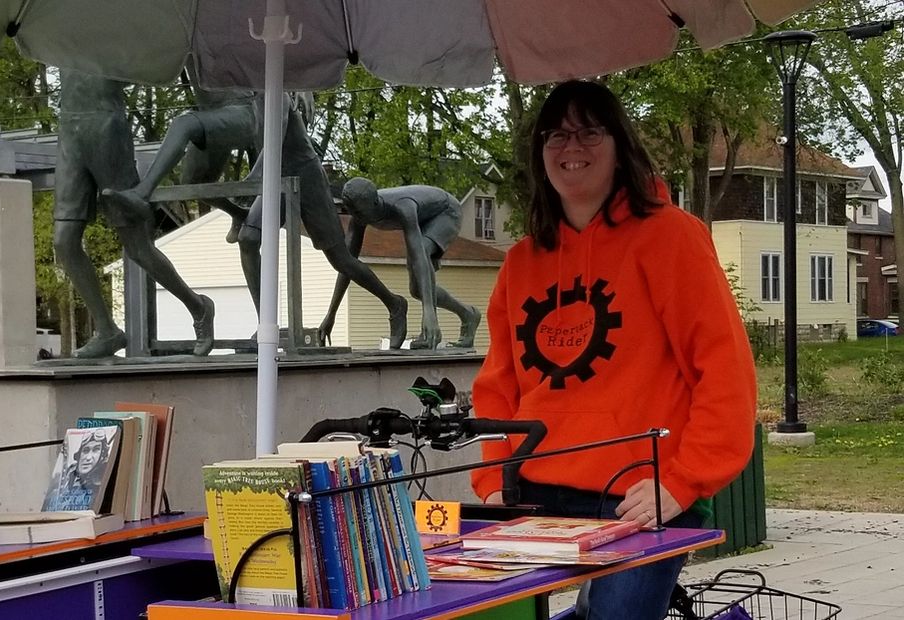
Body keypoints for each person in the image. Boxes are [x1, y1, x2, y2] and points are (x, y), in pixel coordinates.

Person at [469, 80, 756, 620]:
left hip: (637, 496)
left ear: (619, 145)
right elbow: (498, 386)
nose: (570, 148)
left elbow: (725, 370)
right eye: (556, 134)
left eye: (588, 132)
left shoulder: (671, 237)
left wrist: (682, 481)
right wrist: (491, 481)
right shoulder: (521, 262)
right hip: (533, 490)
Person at [53, 70, 215, 357]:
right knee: (64, 241)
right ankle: (107, 330)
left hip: (106, 129)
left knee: (138, 247)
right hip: (69, 132)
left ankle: (198, 307)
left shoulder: (112, 27)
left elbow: (142, 66)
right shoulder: (53, 29)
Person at [237, 94, 408, 348]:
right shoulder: (250, 100)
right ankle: (266, 326)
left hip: (307, 177)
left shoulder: (276, 93)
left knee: (340, 258)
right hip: (278, 179)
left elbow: (275, 139)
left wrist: (250, 180)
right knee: (248, 239)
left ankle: (394, 303)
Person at [101, 60, 259, 244]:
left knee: (183, 124)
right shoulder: (186, 42)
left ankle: (142, 193)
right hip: (214, 117)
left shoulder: (206, 37)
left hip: (240, 114)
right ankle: (239, 213)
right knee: (192, 183)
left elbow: (158, 68)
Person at [317, 178, 481, 349]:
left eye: (360, 213)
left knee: (422, 251)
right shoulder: (359, 216)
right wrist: (331, 313)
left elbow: (419, 256)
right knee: (417, 290)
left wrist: (429, 313)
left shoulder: (403, 207)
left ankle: (430, 330)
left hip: (446, 212)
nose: (358, 218)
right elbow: (346, 265)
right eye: (353, 213)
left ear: (374, 203)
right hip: (423, 216)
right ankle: (468, 314)